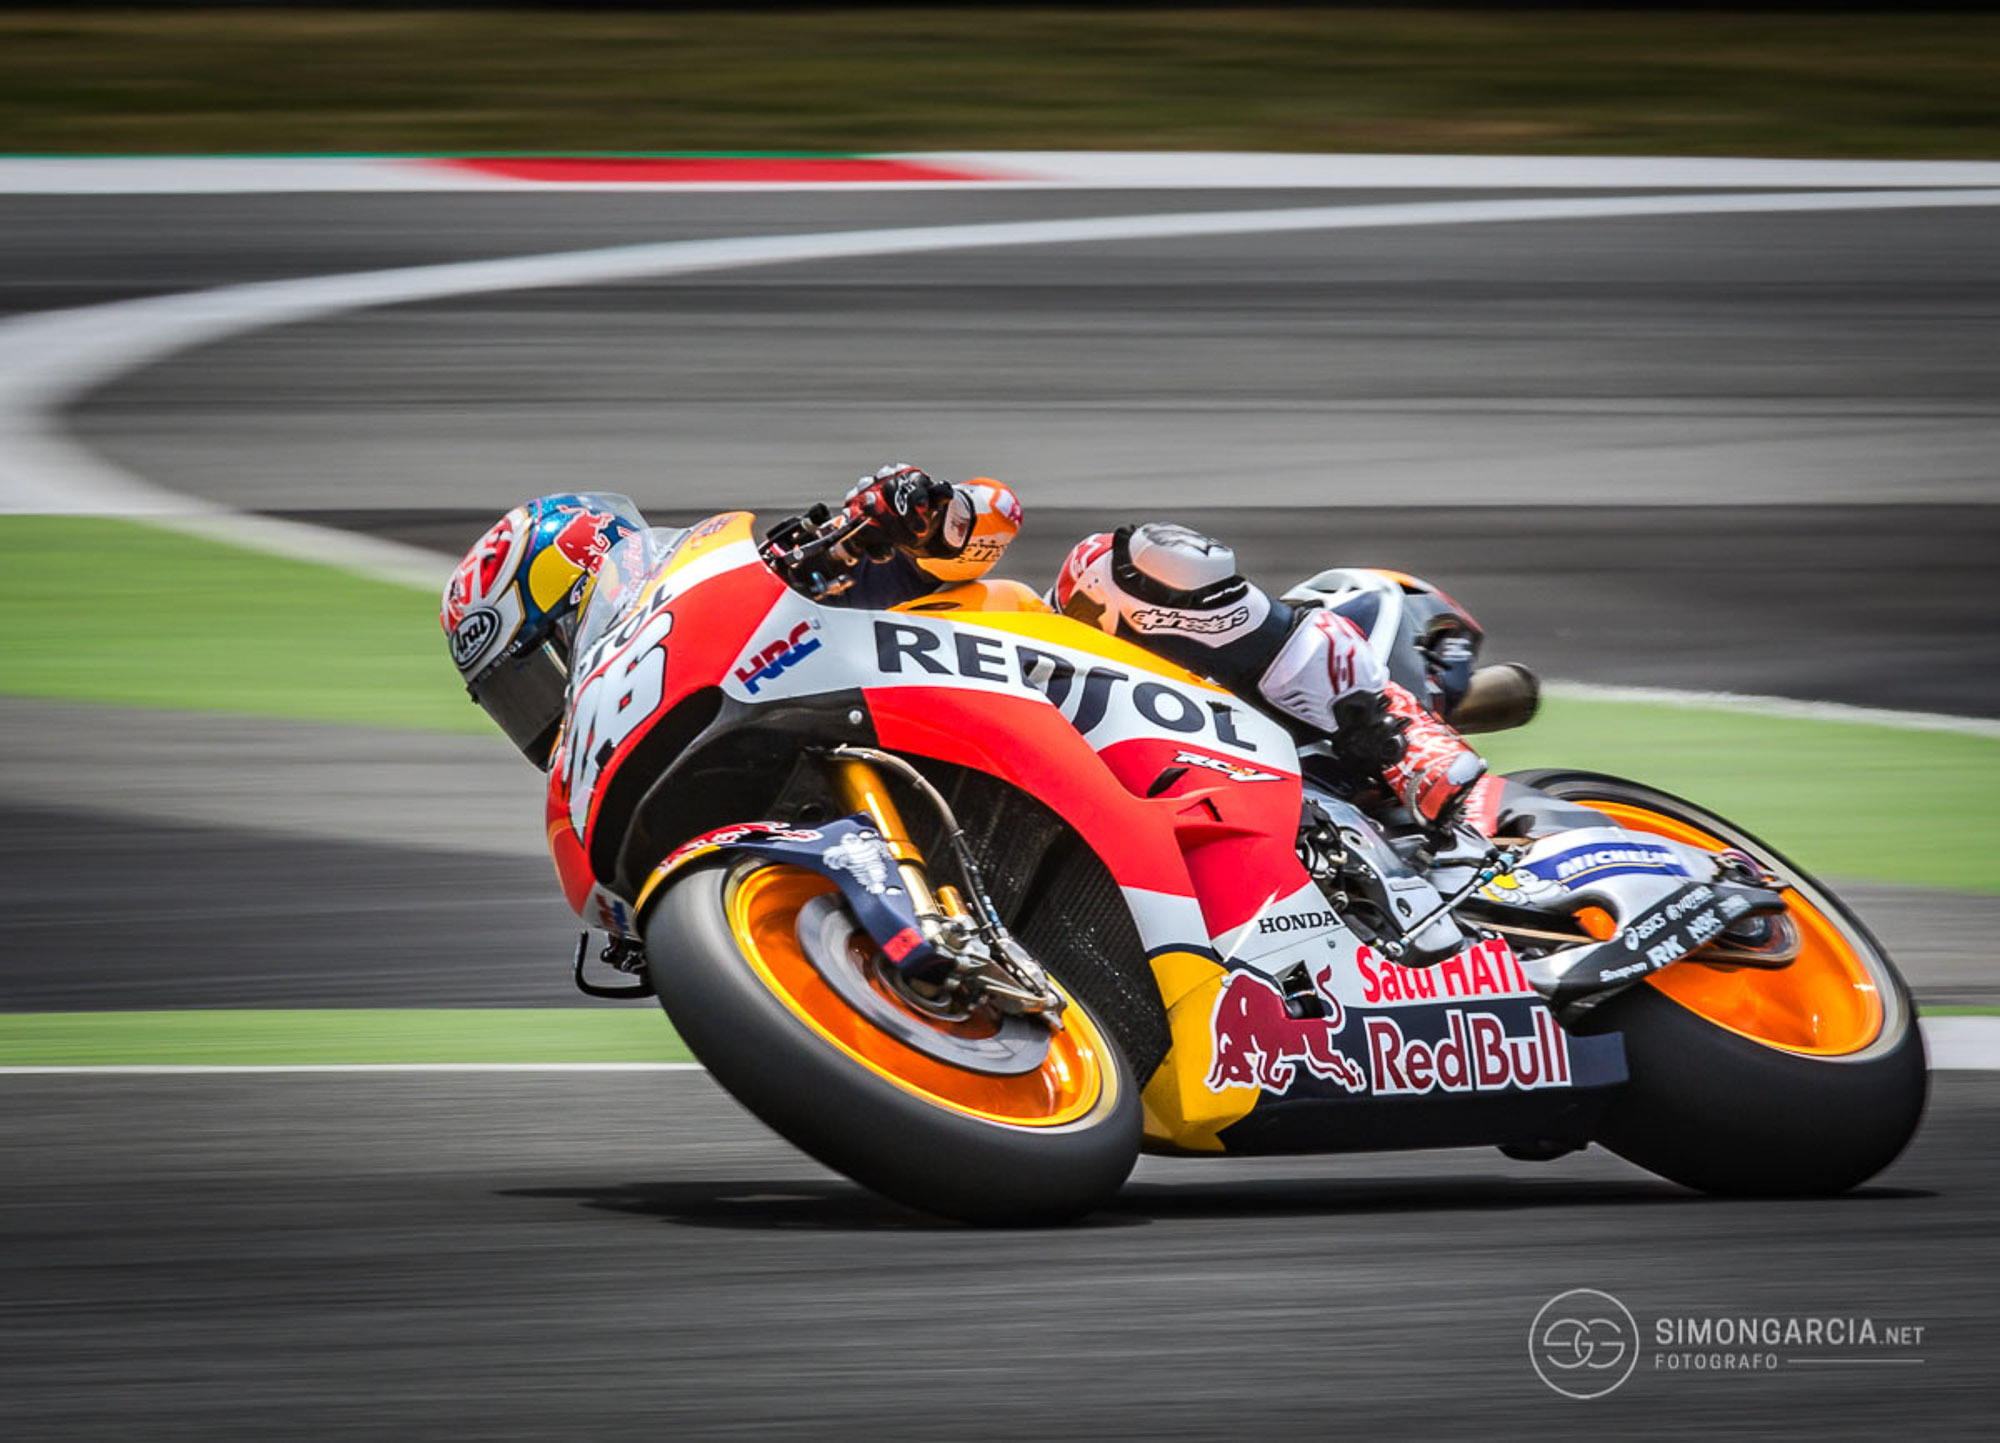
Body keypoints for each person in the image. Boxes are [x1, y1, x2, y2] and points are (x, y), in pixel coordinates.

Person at [776, 464, 1491, 832]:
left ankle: (1408, 745)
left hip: (1156, 729)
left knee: (1122, 562)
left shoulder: (956, 590)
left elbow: (993, 509)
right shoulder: (798, 666)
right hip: (1063, 826)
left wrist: (904, 520)